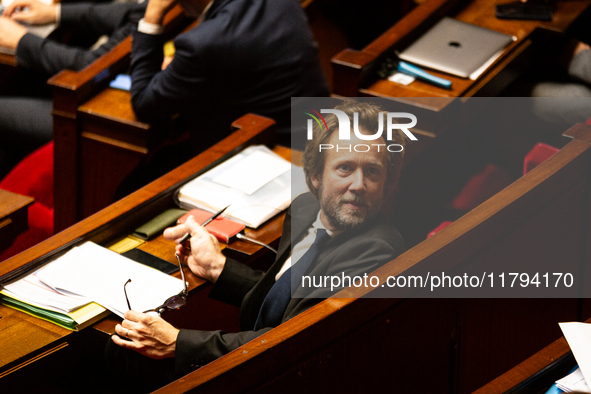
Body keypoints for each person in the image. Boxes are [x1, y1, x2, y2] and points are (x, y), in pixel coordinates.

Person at [105, 101, 406, 390]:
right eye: (344, 168)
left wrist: (178, 342)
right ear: (316, 176)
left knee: (117, 354)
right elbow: (288, 296)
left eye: (373, 172)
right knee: (117, 347)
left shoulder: (375, 252)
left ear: (389, 184)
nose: (358, 184)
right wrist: (218, 268)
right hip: (263, 355)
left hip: (285, 375)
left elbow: (289, 341)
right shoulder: (304, 210)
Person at [129, 0, 329, 151]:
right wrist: (183, 69)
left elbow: (144, 105)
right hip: (319, 134)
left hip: (273, 158)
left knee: (134, 184)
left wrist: (152, 16)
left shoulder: (203, 44)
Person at [0, 0, 147, 177]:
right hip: (105, 96)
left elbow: (92, 68)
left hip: (102, 122)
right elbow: (132, 12)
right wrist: (55, 13)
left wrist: (20, 40)